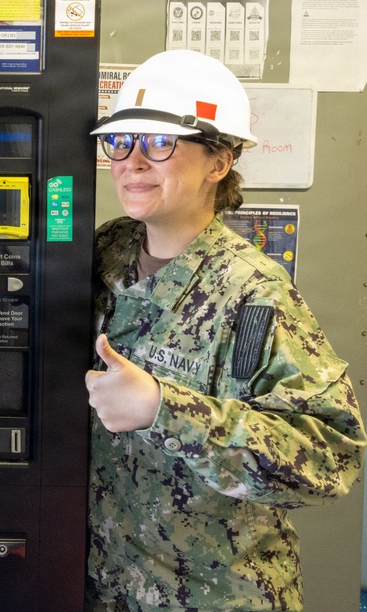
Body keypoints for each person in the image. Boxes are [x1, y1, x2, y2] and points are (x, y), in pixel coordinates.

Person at [83, 49, 365, 611]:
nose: (132, 162)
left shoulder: (253, 291)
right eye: (121, 140)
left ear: (218, 162)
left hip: (213, 595)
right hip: (107, 584)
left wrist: (164, 409)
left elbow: (330, 457)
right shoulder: (105, 252)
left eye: (159, 143)